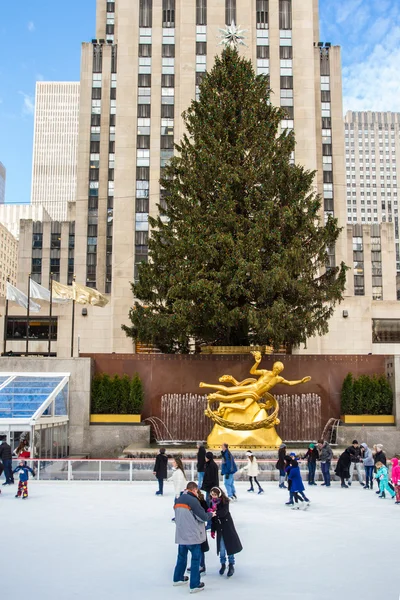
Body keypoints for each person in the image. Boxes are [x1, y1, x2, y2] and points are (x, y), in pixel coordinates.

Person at [173, 481, 214, 593]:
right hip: (193, 536)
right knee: (195, 559)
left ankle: (178, 578)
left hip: (181, 535)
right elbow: (203, 517)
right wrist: (211, 514)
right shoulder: (193, 501)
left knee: (181, 557)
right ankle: (195, 584)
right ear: (194, 490)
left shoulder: (178, 500)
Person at [209, 487, 243, 577]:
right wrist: (213, 529)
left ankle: (231, 564)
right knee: (221, 548)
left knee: (229, 546)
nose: (213, 497)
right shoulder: (211, 503)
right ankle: (223, 564)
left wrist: (214, 512)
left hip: (227, 527)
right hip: (219, 528)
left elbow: (224, 512)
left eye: (215, 495)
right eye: (212, 495)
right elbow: (212, 519)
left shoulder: (224, 502)